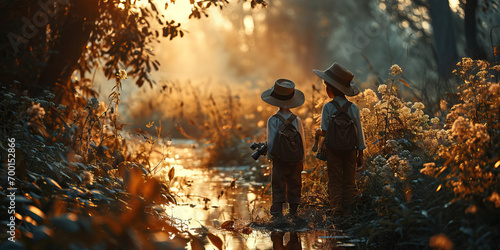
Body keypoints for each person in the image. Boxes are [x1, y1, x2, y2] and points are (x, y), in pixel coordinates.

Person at [313, 62, 366, 216]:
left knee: (335, 180)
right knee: (349, 181)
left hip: (333, 150)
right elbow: (359, 132)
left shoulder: (328, 108)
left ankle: (336, 209)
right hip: (351, 149)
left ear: (330, 88)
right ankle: (348, 211)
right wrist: (360, 153)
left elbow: (325, 131)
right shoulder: (353, 108)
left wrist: (317, 133)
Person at [261, 79, 306, 219]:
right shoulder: (297, 119)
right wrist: (302, 159)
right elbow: (302, 140)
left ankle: (277, 212)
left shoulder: (272, 120)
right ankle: (293, 212)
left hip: (279, 158)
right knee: (295, 182)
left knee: (278, 183)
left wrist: (270, 155)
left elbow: (272, 139)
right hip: (295, 158)